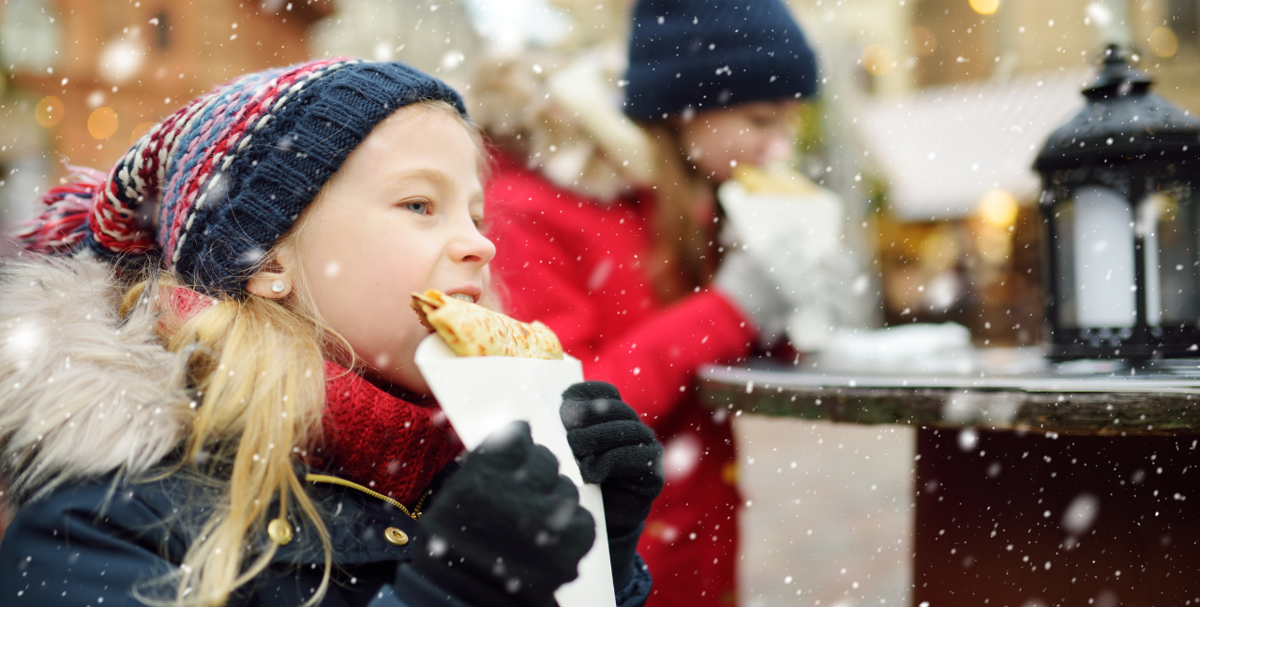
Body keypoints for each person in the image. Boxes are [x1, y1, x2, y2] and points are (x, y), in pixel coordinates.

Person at [0, 59, 662, 607]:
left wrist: (601, 560)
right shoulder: (104, 520)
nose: (479, 246)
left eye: (478, 216)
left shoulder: (457, 468)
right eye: (419, 205)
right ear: (267, 261)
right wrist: (454, 588)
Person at [481, 0, 822, 605]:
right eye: (762, 120)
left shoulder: (690, 197)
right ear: (684, 110)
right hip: (609, 561)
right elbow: (570, 405)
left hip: (696, 546)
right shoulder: (530, 208)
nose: (779, 148)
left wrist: (796, 306)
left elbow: (720, 355)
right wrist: (734, 306)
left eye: (790, 125)